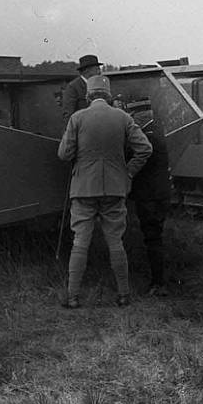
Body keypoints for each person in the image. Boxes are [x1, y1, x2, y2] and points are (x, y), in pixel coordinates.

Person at [57, 75, 152, 308]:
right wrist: (127, 172)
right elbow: (145, 148)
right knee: (115, 241)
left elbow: (63, 154)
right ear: (108, 95)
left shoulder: (77, 118)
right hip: (114, 188)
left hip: (83, 189)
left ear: (88, 95)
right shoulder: (123, 117)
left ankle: (73, 297)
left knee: (80, 241)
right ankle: (123, 294)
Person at [126, 102, 173, 296]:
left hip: (149, 197)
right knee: (154, 237)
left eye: (134, 116)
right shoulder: (157, 132)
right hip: (159, 194)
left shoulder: (148, 138)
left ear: (143, 116)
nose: (132, 120)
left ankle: (158, 283)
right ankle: (157, 279)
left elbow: (132, 155)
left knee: (152, 238)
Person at [62, 54, 103, 120]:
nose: (99, 72)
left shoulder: (99, 85)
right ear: (87, 70)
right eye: (97, 69)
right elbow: (68, 115)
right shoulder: (72, 87)